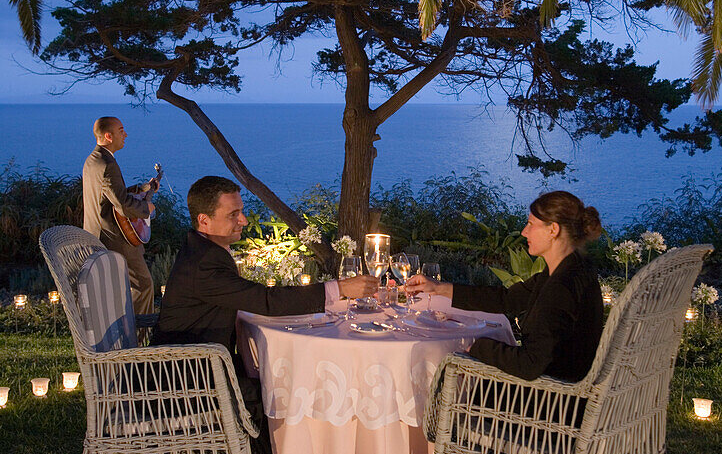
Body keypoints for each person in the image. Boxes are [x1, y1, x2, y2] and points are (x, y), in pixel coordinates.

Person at [153, 175, 377, 352]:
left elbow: (251, 298)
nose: (244, 220)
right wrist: (340, 288)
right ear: (204, 220)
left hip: (195, 367)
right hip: (185, 382)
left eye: (241, 211)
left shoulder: (202, 250)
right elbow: (267, 301)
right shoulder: (204, 263)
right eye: (234, 214)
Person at [407, 191, 604, 382]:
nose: (524, 231)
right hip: (561, 386)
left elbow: (529, 364)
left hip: (550, 400)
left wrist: (479, 347)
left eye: (531, 224)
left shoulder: (562, 286)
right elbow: (507, 299)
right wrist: (438, 288)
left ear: (553, 230)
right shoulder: (571, 268)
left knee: (446, 380)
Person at [82, 116, 158, 315]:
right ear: (109, 136)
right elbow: (123, 205)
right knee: (143, 285)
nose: (125, 134)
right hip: (115, 238)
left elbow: (112, 193)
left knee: (119, 290)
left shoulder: (93, 159)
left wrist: (144, 188)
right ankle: (137, 337)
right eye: (121, 130)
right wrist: (146, 209)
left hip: (96, 233)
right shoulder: (108, 164)